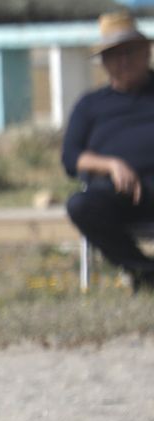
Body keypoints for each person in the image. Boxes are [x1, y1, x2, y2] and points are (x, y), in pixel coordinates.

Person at [62, 10, 154, 293]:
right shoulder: (90, 105)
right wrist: (111, 165)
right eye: (114, 55)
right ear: (104, 62)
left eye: (129, 52)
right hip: (118, 193)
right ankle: (145, 273)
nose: (123, 61)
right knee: (80, 205)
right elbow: (71, 157)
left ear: (147, 51)